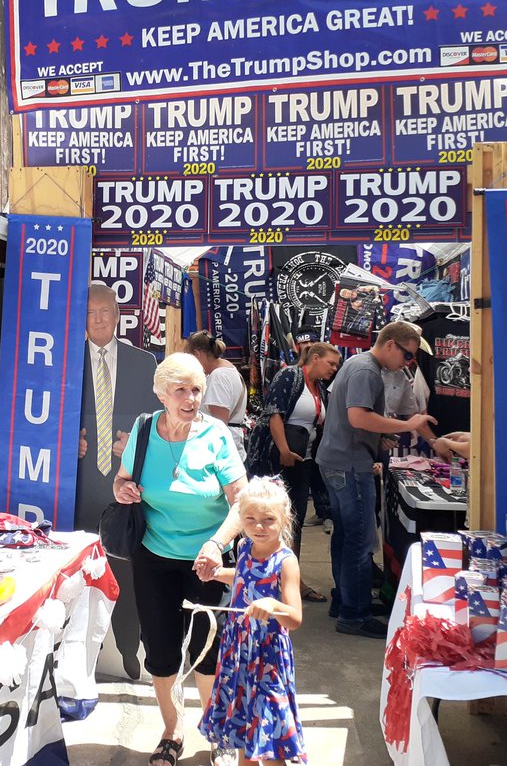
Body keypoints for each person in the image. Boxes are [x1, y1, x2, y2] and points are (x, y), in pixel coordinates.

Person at [113, 353, 247, 766]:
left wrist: (217, 542)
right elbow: (122, 479)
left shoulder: (216, 434)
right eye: (181, 391)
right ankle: (172, 732)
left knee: (208, 649)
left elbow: (241, 502)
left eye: (197, 390)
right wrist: (122, 490)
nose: (191, 399)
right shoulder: (143, 429)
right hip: (153, 557)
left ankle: (215, 731)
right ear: (161, 394)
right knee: (161, 648)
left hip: (207, 561)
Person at [316, 321, 436, 638]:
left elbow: (351, 418)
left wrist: (376, 436)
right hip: (349, 464)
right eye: (408, 355)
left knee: (345, 537)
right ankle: (354, 614)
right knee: (357, 539)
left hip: (341, 460)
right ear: (391, 345)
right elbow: (357, 416)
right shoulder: (366, 370)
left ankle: (345, 602)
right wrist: (404, 424)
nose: (409, 363)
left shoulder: (359, 365)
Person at [77, 281, 159, 679]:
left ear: (118, 315)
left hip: (125, 484)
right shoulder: (63, 360)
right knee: (79, 572)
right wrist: (63, 442)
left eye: (104, 311)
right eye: (90, 312)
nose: (98, 319)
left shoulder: (143, 363)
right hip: (78, 485)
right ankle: (78, 658)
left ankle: (128, 648)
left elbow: (158, 422)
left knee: (125, 568)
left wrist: (135, 441)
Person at [199, 477, 305, 766]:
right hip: (238, 652)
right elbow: (245, 578)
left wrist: (273, 605)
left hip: (268, 658)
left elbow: (294, 618)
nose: (259, 526)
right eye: (251, 519)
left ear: (284, 520)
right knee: (245, 732)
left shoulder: (285, 561)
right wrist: (218, 573)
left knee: (269, 739)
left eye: (268, 519)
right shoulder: (245, 547)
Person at [247, 342, 342, 603]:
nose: (334, 369)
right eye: (330, 363)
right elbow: (274, 414)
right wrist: (284, 450)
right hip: (276, 461)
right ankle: (261, 577)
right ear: (314, 357)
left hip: (303, 461)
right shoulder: (290, 375)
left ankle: (290, 579)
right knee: (266, 518)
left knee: (294, 521)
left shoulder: (319, 387)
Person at [186, 330, 249, 462]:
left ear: (197, 354)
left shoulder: (219, 377)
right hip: (229, 447)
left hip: (221, 453)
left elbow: (219, 424)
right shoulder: (229, 370)